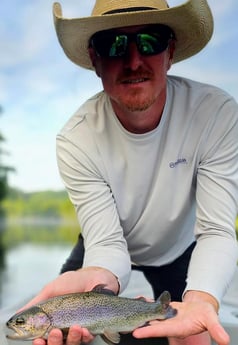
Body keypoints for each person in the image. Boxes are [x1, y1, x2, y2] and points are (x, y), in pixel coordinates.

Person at [22, 0, 238, 345]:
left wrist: (202, 298)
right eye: (114, 44)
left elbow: (216, 230)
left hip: (178, 248)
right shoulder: (76, 138)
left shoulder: (217, 114)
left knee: (194, 331)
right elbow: (106, 243)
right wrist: (99, 277)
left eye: (150, 41)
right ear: (95, 59)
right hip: (103, 246)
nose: (134, 60)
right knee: (63, 335)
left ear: (171, 50)